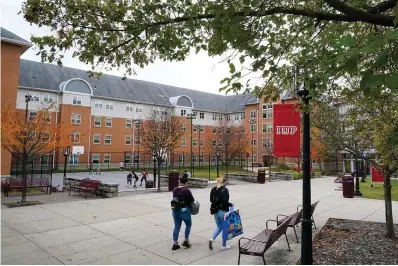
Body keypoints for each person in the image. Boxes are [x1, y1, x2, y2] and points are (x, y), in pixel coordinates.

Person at [171, 175, 194, 250]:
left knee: (177, 227)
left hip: (175, 211)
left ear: (179, 181)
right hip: (184, 211)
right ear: (186, 183)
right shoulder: (186, 190)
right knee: (188, 225)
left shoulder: (174, 189)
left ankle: (175, 244)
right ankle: (186, 240)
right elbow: (192, 200)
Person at [209, 177, 232, 251]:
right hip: (223, 211)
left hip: (215, 211)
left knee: (219, 227)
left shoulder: (213, 189)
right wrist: (230, 204)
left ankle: (212, 238)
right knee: (225, 228)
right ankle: (223, 245)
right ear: (223, 183)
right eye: (225, 182)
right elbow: (225, 201)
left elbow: (211, 200)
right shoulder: (225, 190)